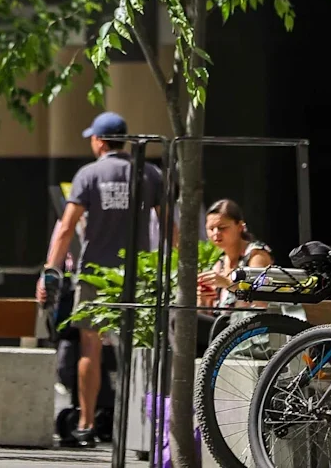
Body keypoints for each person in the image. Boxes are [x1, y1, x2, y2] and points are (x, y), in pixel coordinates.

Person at [38, 110, 165, 448]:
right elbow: (171, 229)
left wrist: (50, 271)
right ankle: (139, 427)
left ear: (98, 141)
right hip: (137, 275)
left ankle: (86, 424)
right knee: (136, 349)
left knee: (89, 348)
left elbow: (66, 228)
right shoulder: (151, 174)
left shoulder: (88, 175)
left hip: (94, 273)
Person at [196, 200, 274, 315]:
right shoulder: (220, 263)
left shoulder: (256, 254)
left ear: (240, 226)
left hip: (247, 326)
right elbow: (206, 312)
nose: (216, 233)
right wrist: (203, 299)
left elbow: (259, 293)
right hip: (222, 327)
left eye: (222, 228)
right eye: (211, 228)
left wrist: (227, 283)